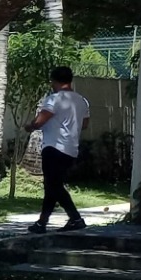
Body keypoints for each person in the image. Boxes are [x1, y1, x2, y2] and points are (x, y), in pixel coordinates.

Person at [25, 65, 90, 233]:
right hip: (71, 148)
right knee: (52, 186)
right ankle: (42, 223)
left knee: (53, 186)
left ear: (54, 81)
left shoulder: (54, 99)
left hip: (53, 147)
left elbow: (39, 121)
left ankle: (75, 218)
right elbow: (84, 124)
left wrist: (30, 126)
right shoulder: (81, 100)